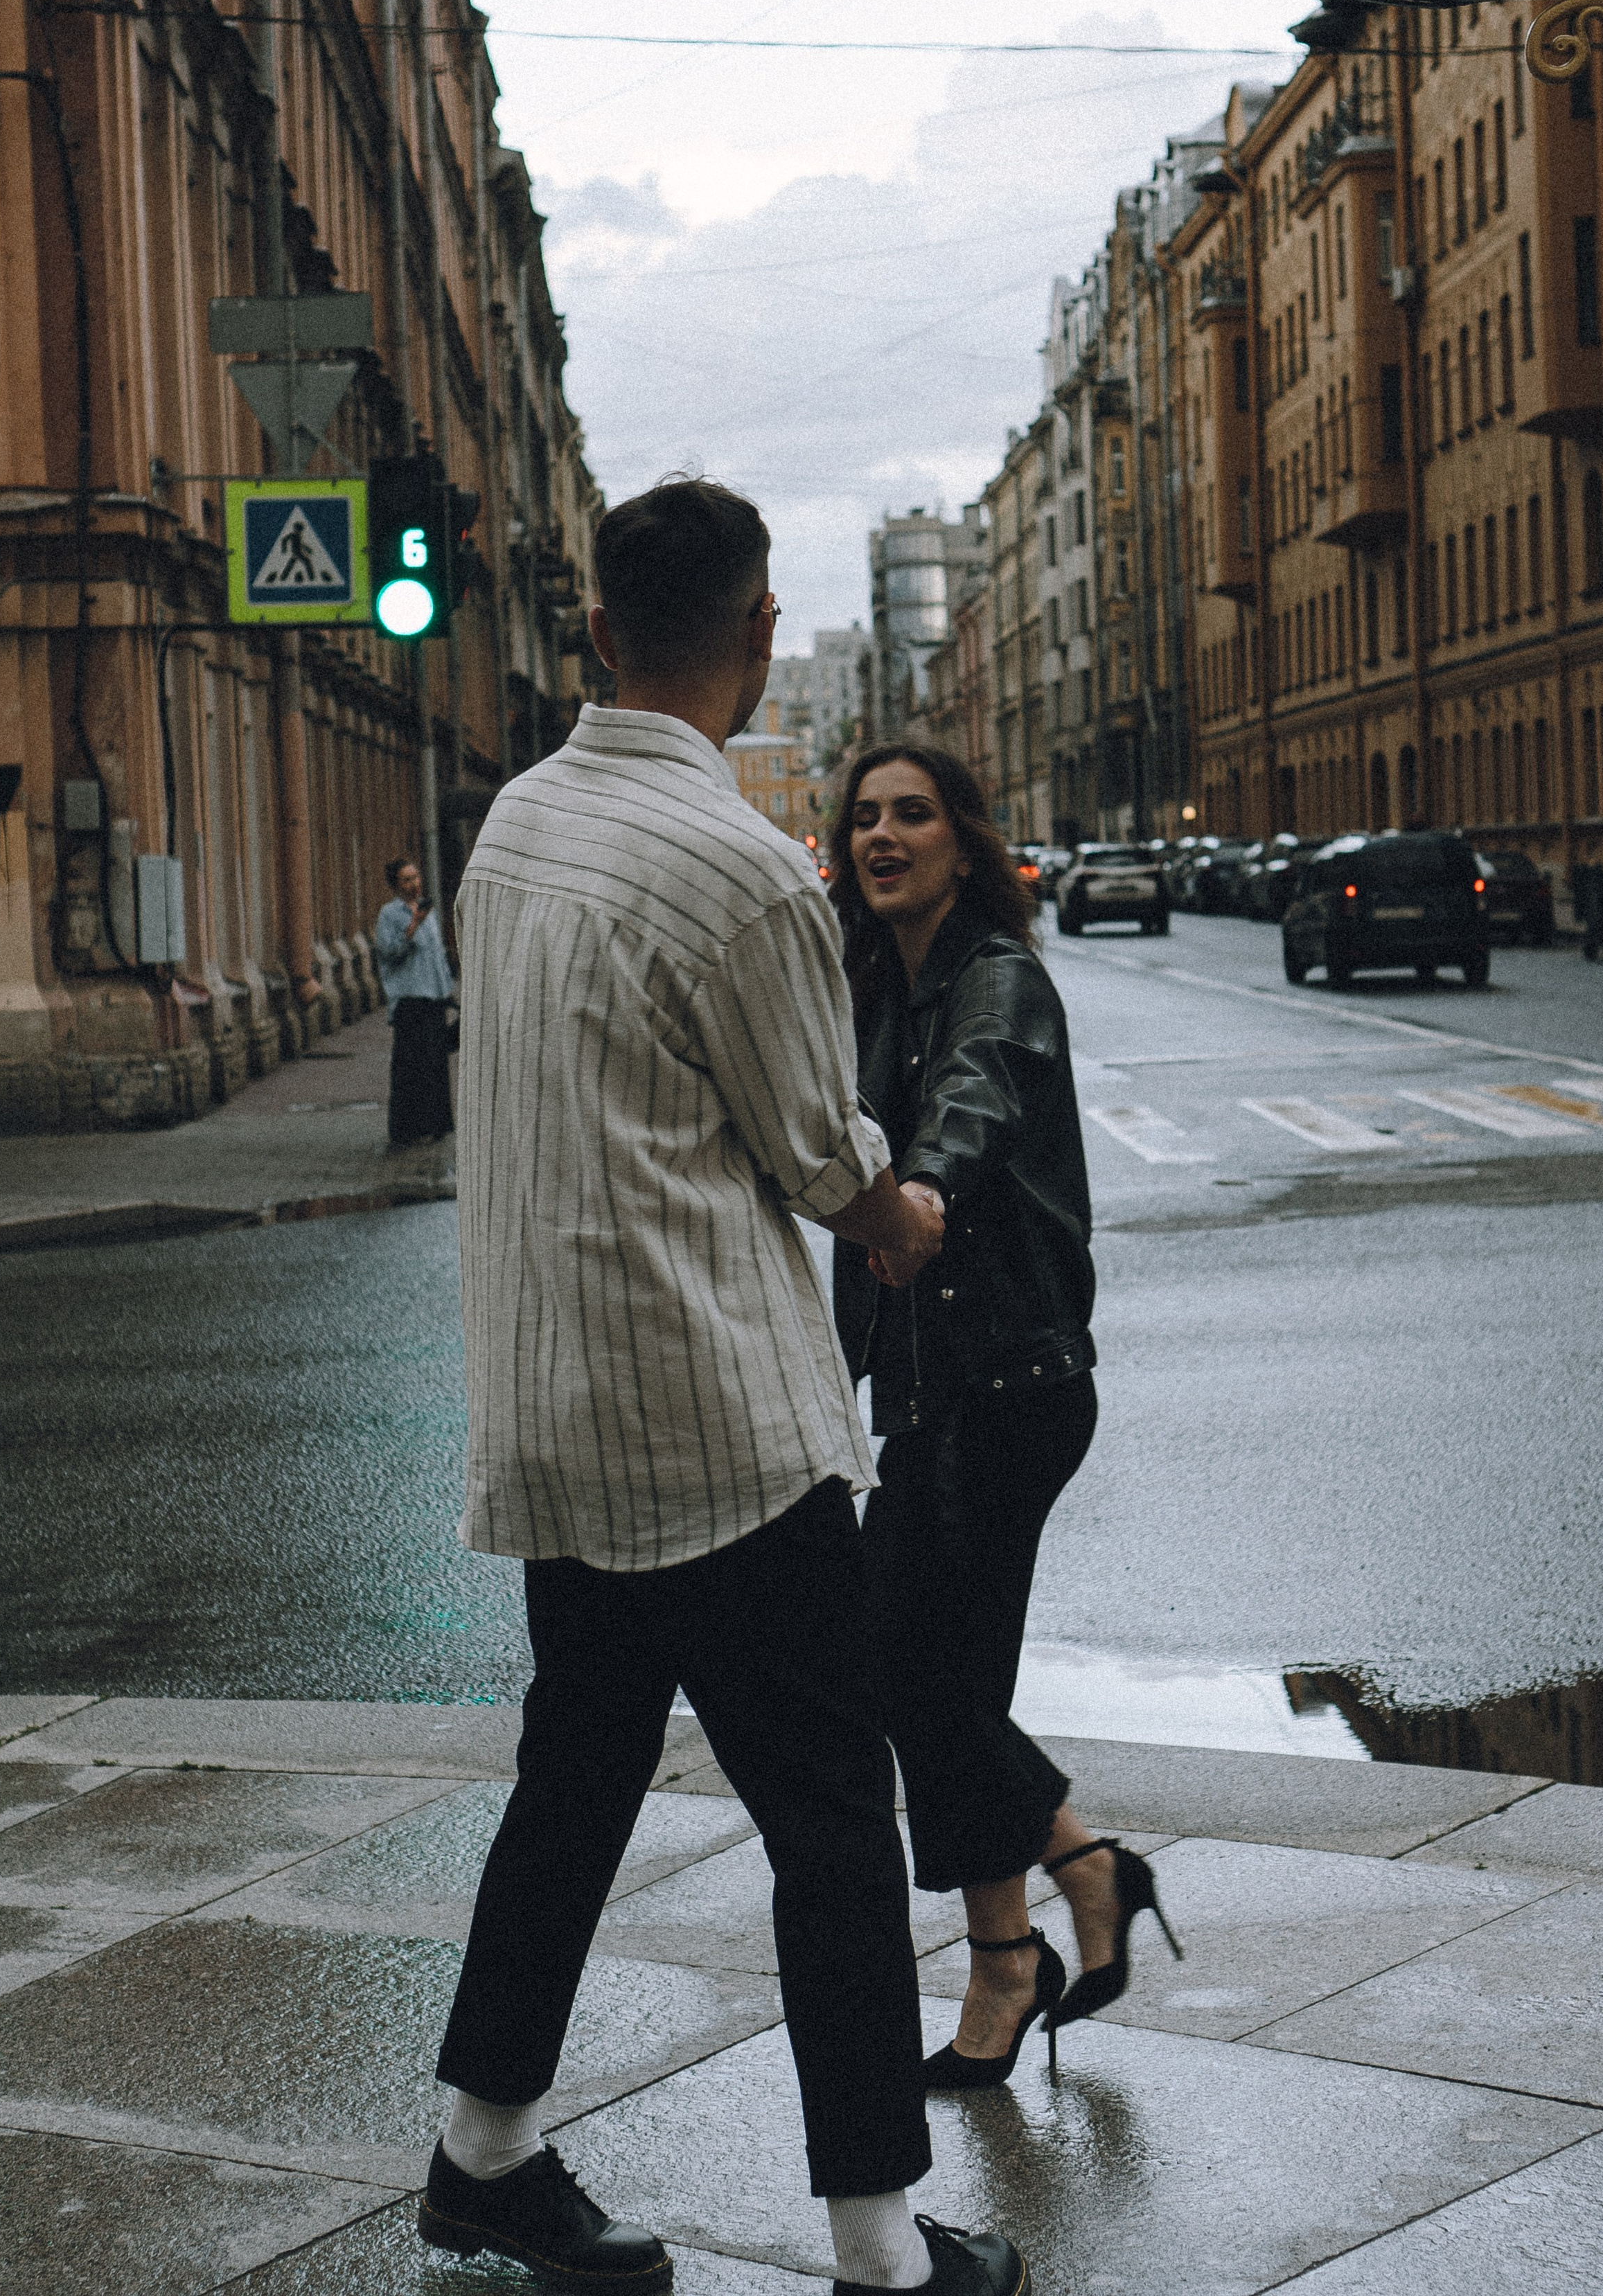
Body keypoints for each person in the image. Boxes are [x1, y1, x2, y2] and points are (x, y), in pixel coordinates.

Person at [427, 480, 1029, 2296]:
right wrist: (906, 1216)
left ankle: (484, 2158)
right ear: (764, 636)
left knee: (578, 1778)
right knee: (837, 1820)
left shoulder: (514, 831)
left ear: (598, 635)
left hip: (554, 1413)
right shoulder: (751, 875)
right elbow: (814, 1154)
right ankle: (878, 2248)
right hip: (714, 1432)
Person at [829, 746, 1179, 2092]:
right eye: (862, 816)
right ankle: (1034, 1922)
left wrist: (915, 1199)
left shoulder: (997, 982)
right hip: (926, 1391)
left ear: (962, 843)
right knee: (933, 1685)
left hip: (1012, 1385)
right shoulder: (877, 987)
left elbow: (968, 1106)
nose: (882, 834)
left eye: (909, 813)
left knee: (914, 1679)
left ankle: (1043, 1918)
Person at [374, 856, 454, 1147]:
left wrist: (447, 990)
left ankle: (436, 1123)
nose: (414, 884)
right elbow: (389, 952)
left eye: (416, 878)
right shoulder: (390, 914)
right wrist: (413, 927)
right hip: (409, 999)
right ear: (396, 885)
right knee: (410, 1065)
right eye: (407, 880)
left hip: (433, 996)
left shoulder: (429, 912)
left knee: (435, 1063)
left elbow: (436, 954)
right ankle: (406, 1129)